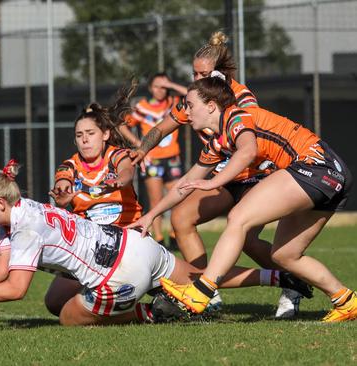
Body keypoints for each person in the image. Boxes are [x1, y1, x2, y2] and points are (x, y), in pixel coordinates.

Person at [0, 161, 312, 326]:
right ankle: (280, 279)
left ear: (1, 203)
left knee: (68, 316)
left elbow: (15, 287)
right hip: (135, 245)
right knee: (200, 276)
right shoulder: (21, 212)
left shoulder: (23, 228)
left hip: (119, 274)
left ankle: (153, 312)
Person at [130, 76, 355, 322]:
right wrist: (151, 216)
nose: (187, 111)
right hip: (331, 175)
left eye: (191, 105)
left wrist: (214, 182)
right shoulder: (217, 144)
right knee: (284, 256)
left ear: (211, 106)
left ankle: (202, 291)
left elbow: (248, 151)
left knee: (239, 217)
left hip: (317, 167)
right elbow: (184, 185)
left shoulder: (238, 116)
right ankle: (346, 300)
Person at [128, 31, 303, 318]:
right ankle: (206, 292)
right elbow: (161, 127)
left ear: (220, 74)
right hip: (223, 177)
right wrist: (143, 149)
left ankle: (292, 284)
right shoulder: (195, 98)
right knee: (181, 220)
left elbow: (249, 146)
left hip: (256, 176)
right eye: (194, 72)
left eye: (203, 73)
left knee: (246, 237)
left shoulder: (242, 99)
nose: (196, 78)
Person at [45, 82, 141, 315]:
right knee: (54, 303)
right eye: (79, 135)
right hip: (89, 248)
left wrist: (121, 180)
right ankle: (119, 305)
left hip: (127, 238)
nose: (85, 140)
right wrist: (62, 195)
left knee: (163, 286)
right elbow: (63, 182)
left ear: (106, 134)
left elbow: (127, 170)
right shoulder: (71, 164)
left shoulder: (116, 155)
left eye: (90, 133)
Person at [118, 73, 186, 248]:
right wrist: (138, 143)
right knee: (155, 201)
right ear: (150, 88)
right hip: (152, 160)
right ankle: (159, 238)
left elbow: (193, 95)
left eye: (164, 86)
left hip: (172, 158)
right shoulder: (142, 107)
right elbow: (121, 125)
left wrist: (171, 84)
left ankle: (174, 235)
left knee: (178, 198)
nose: (160, 90)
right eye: (157, 86)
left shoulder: (174, 103)